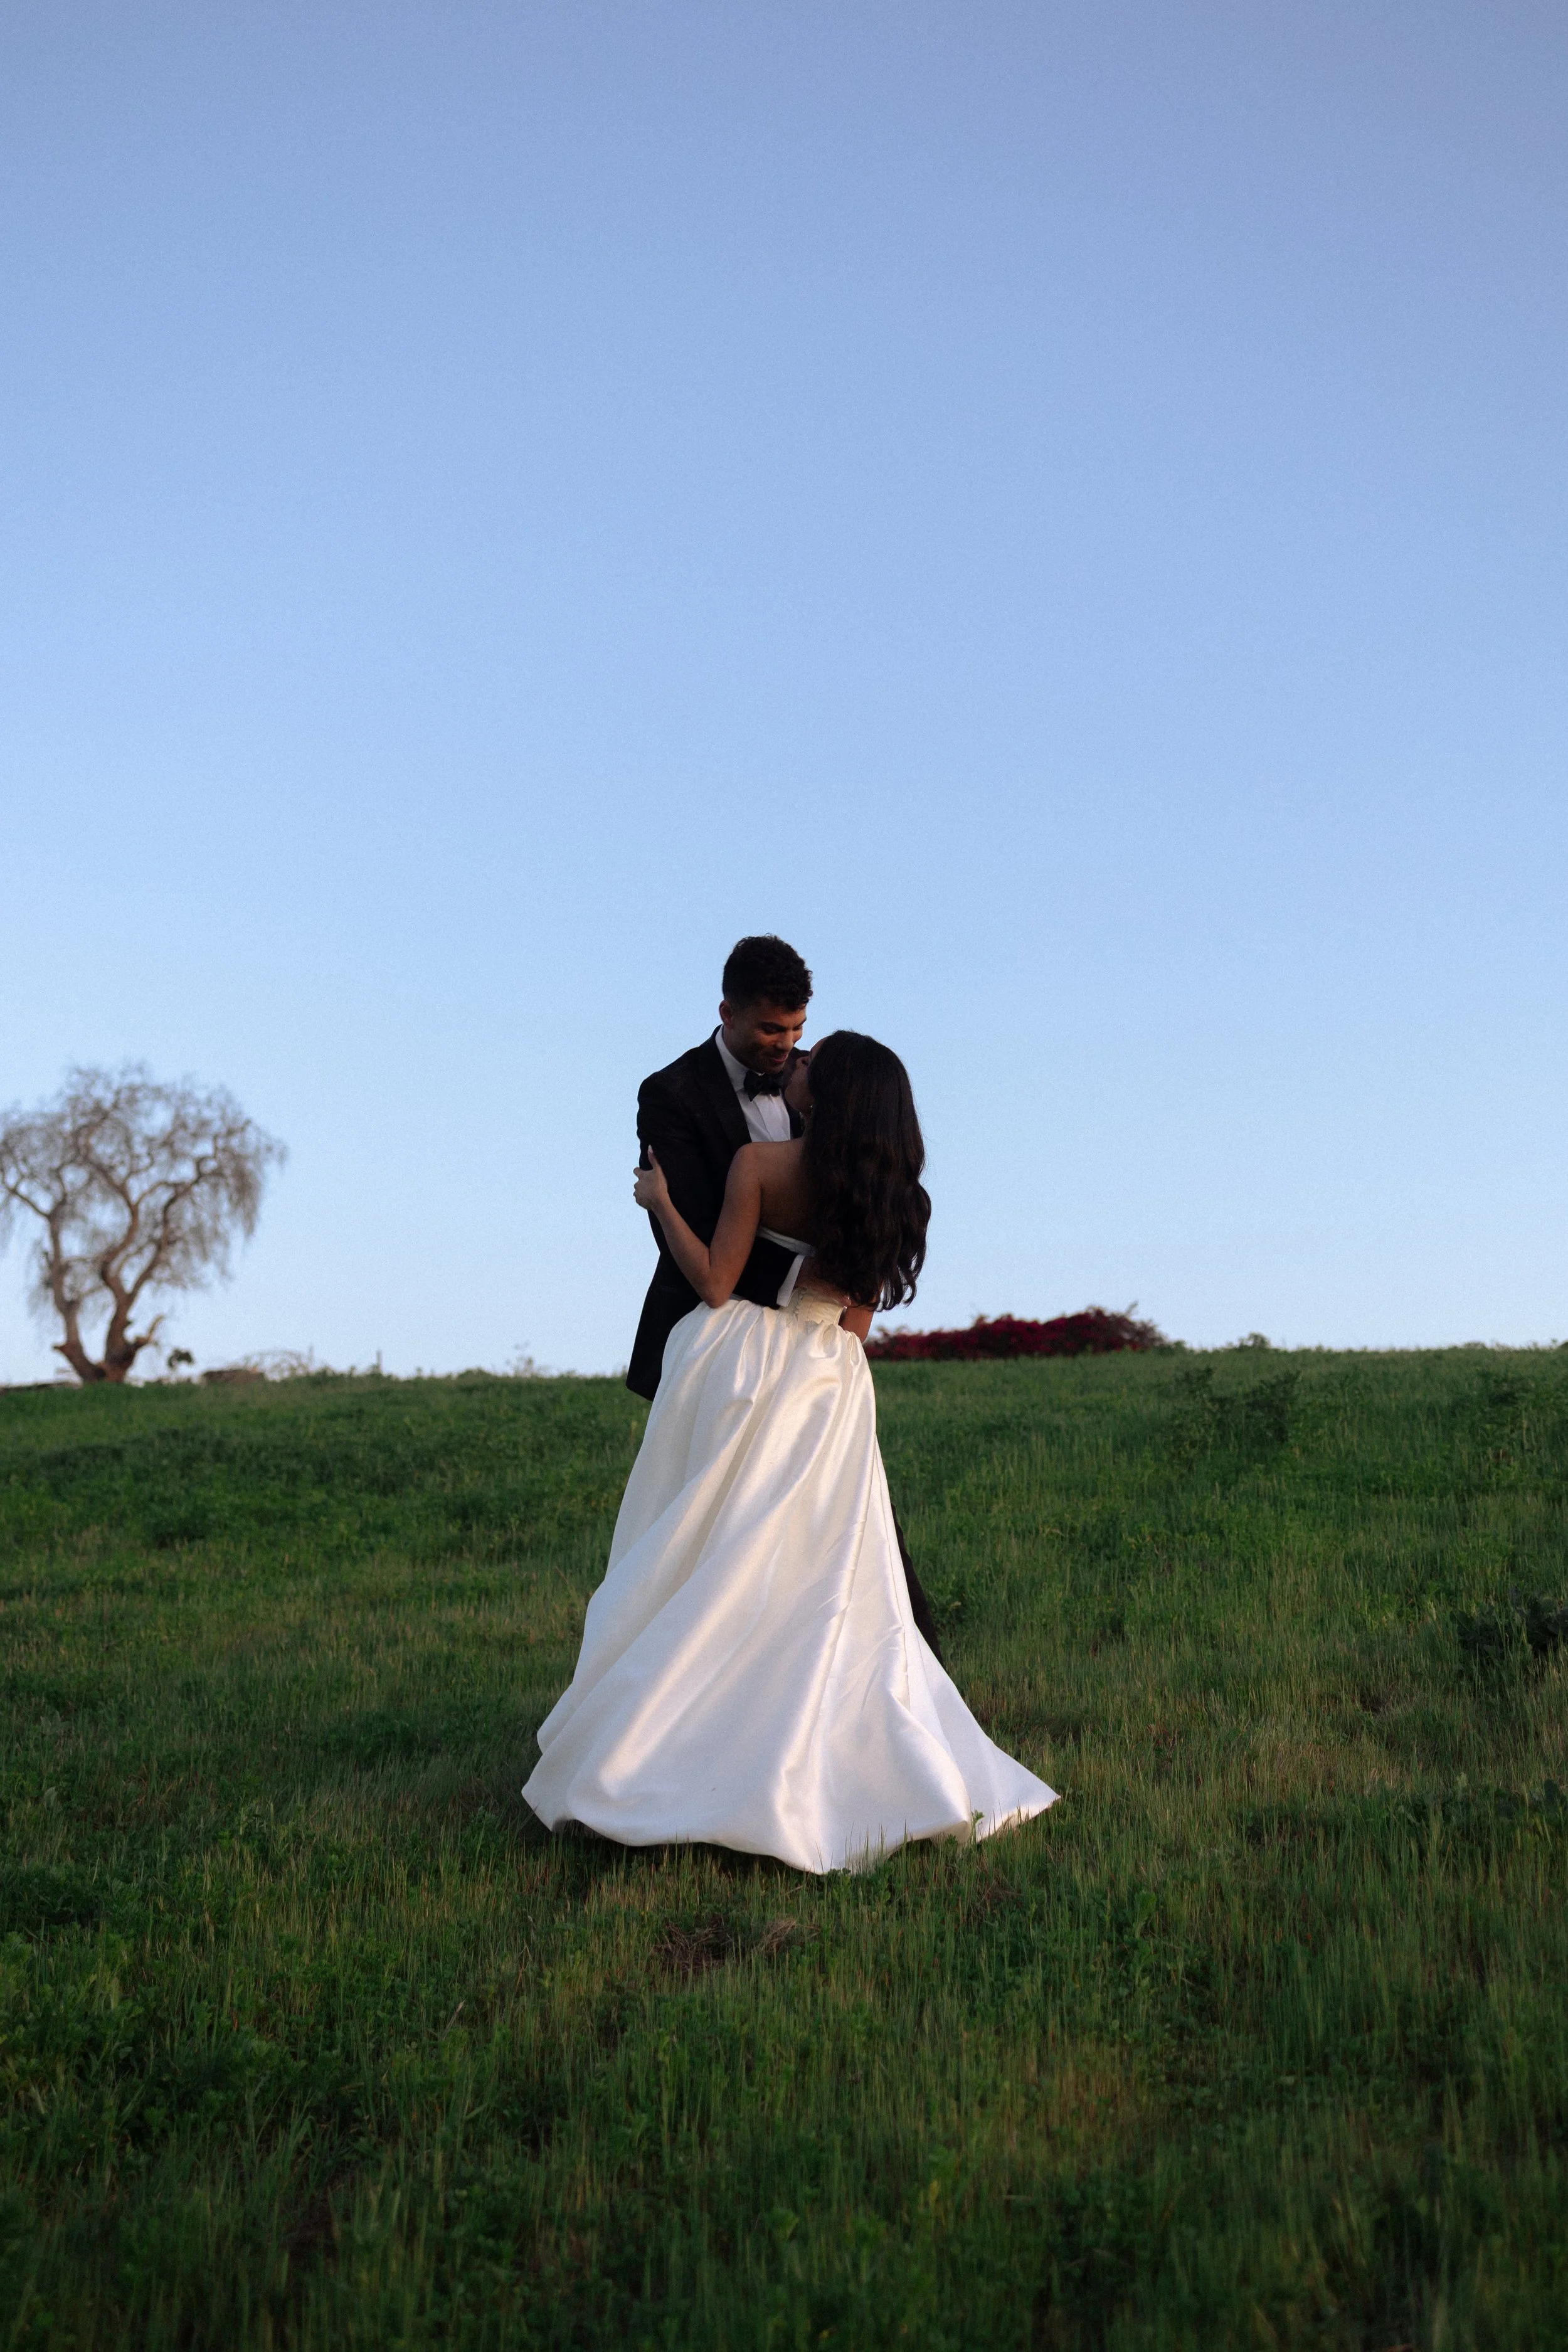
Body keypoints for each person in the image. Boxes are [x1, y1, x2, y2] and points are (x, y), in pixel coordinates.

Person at [522, 1029, 1057, 1874]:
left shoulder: (757, 1167)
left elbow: (714, 1281)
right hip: (831, 1385)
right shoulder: (896, 1198)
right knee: (815, 1575)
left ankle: (670, 1752)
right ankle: (821, 1757)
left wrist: (660, 1200)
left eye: (810, 1063)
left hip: (746, 1366)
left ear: (830, 1091)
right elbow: (851, 1323)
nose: (795, 1067)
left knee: (709, 1558)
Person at [626, 933, 947, 1657]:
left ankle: (899, 1677)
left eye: (800, 1033)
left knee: (844, 1534)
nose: (790, 1049)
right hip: (740, 1360)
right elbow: (715, 1256)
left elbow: (732, 1254)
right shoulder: (672, 1094)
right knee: (719, 1535)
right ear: (728, 1013)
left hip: (794, 1352)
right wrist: (821, 1310)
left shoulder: (801, 1125)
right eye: (774, 1030)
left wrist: (804, 1298)